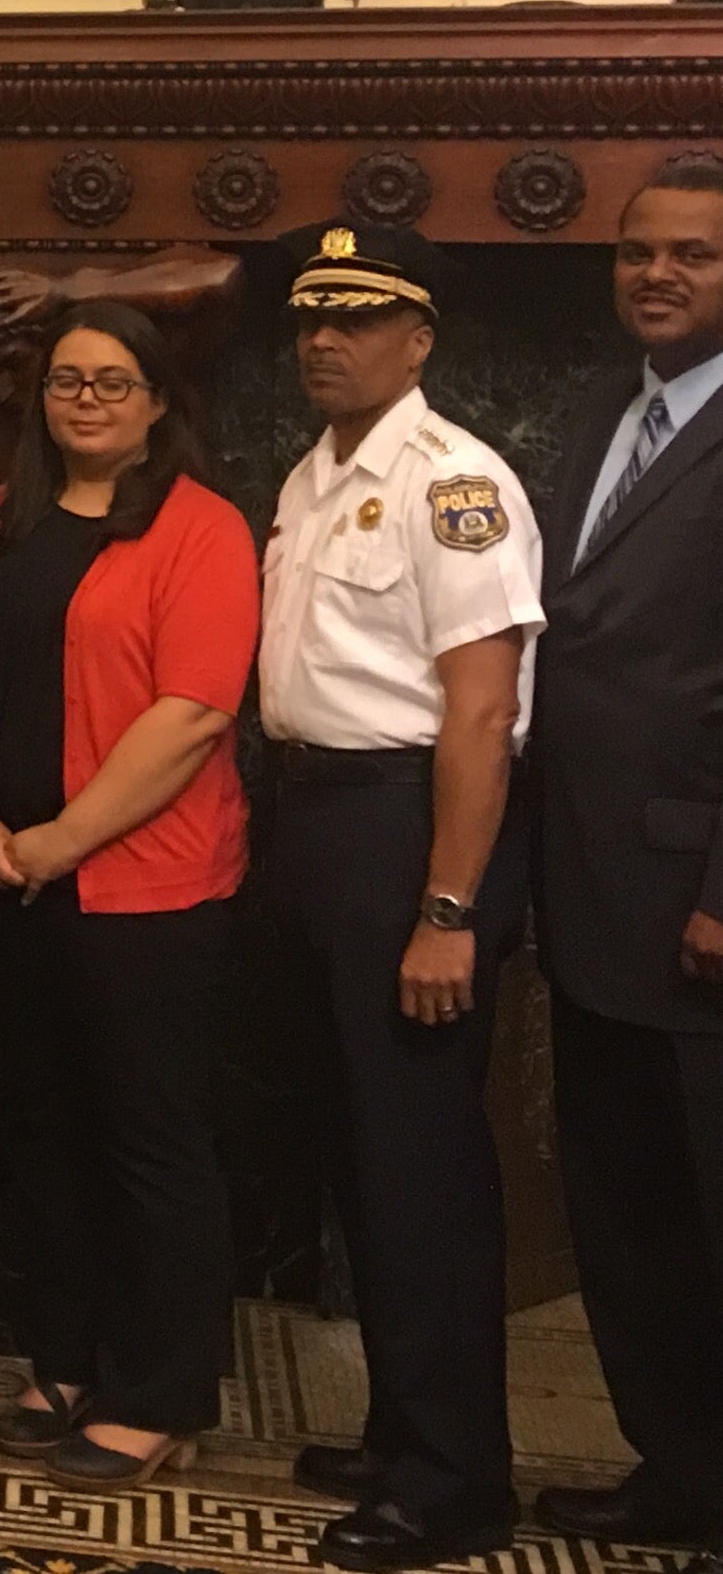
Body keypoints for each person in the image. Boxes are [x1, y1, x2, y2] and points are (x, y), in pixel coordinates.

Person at [250, 224, 543, 1571]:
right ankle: (397, 1428)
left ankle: (454, 1479)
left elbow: (481, 716)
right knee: (361, 1156)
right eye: (313, 318)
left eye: (359, 320)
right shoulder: (313, 478)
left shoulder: (453, 483)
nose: (326, 339)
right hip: (310, 825)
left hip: (405, 835)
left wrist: (448, 910)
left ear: (418, 341)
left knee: (421, 1167)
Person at [0, 304, 258, 1488]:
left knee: (148, 1143)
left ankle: (158, 1388)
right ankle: (64, 1359)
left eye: (112, 382)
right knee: (43, 1131)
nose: (84, 399)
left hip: (145, 892)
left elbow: (191, 715)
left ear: (158, 403)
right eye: (66, 381)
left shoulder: (202, 531)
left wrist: (58, 841)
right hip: (6, 880)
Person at [533, 154, 723, 1560]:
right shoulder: (615, 412)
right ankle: (679, 1471)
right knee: (631, 1211)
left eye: (696, 256)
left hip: (696, 906)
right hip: (590, 892)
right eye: (638, 253)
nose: (658, 275)